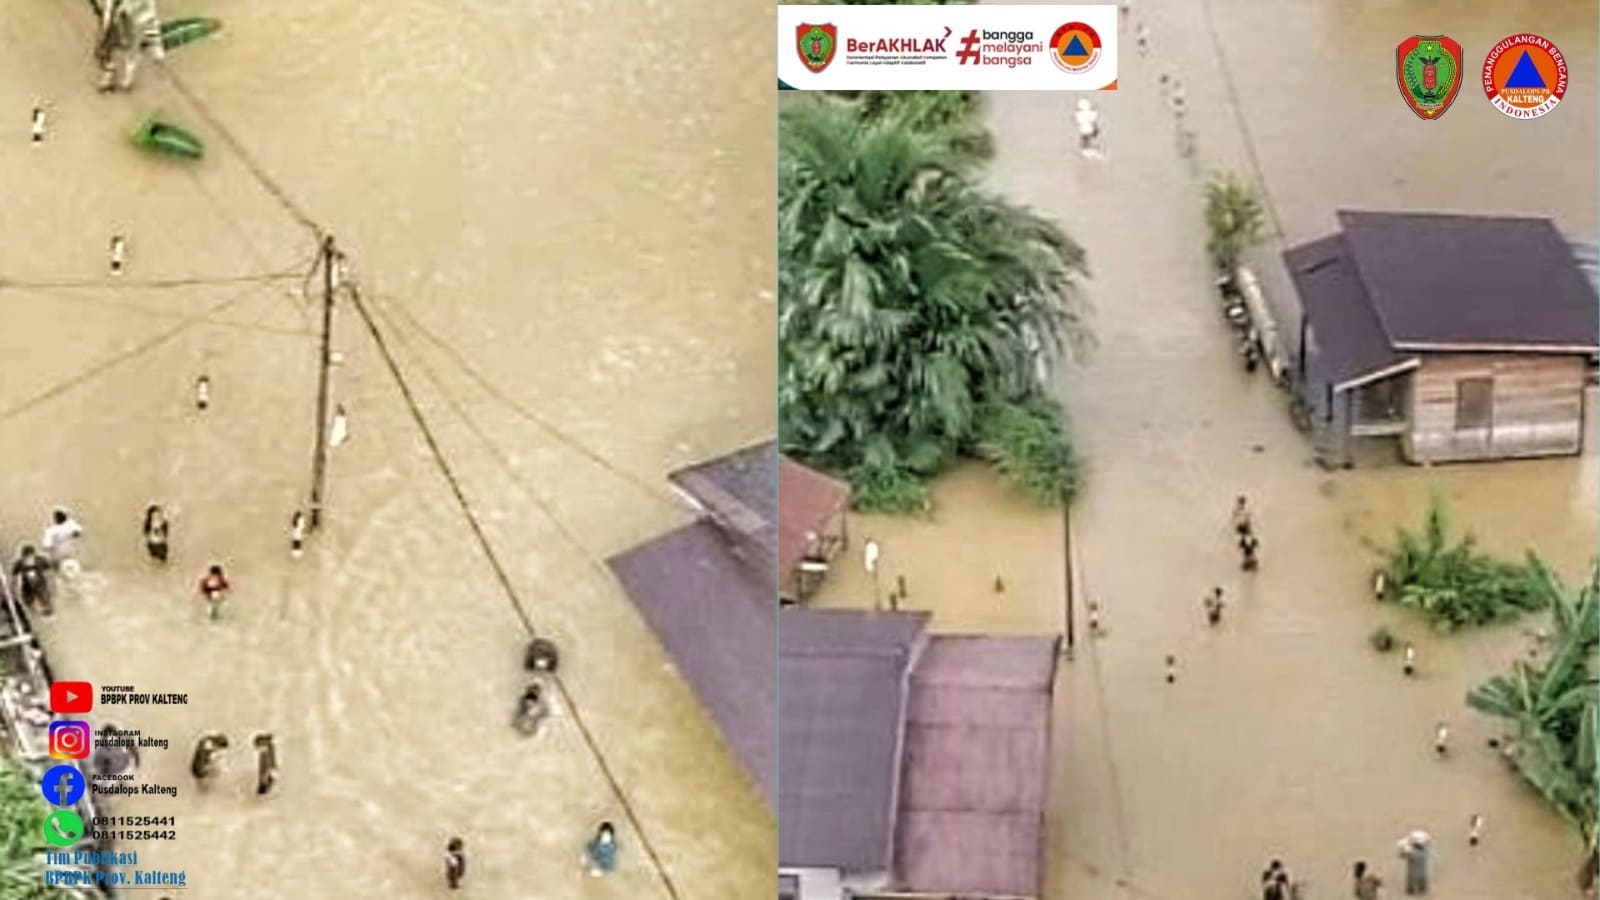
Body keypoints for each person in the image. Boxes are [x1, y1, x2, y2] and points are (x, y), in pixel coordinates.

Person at [11, 545, 54, 615]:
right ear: (23, 557)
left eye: (30, 557)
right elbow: (14, 577)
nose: (29, 559)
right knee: (29, 602)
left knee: (45, 600)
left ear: (34, 555)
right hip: (27, 587)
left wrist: (51, 584)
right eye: (26, 557)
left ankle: (47, 611)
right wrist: (15, 591)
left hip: (40, 584)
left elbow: (49, 572)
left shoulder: (41, 560)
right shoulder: (19, 563)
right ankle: (37, 612)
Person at [41, 508, 84, 578]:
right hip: (69, 558)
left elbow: (46, 547)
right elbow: (78, 532)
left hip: (59, 559)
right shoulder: (72, 526)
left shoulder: (51, 531)